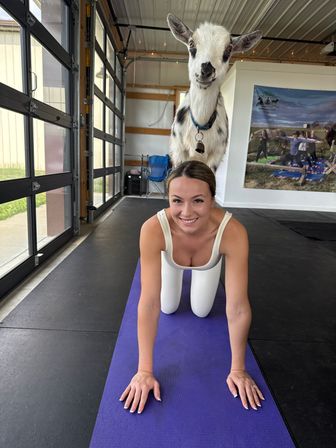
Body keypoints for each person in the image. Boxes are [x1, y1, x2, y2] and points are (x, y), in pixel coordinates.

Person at [119, 161, 264, 414]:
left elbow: (238, 307)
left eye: (198, 200)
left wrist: (238, 370)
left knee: (201, 310)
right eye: (177, 201)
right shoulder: (152, 229)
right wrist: (144, 371)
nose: (186, 211)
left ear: (212, 199)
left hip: (208, 263)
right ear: (168, 200)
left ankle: (200, 278)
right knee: (168, 306)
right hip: (170, 259)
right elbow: (149, 302)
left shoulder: (233, 232)